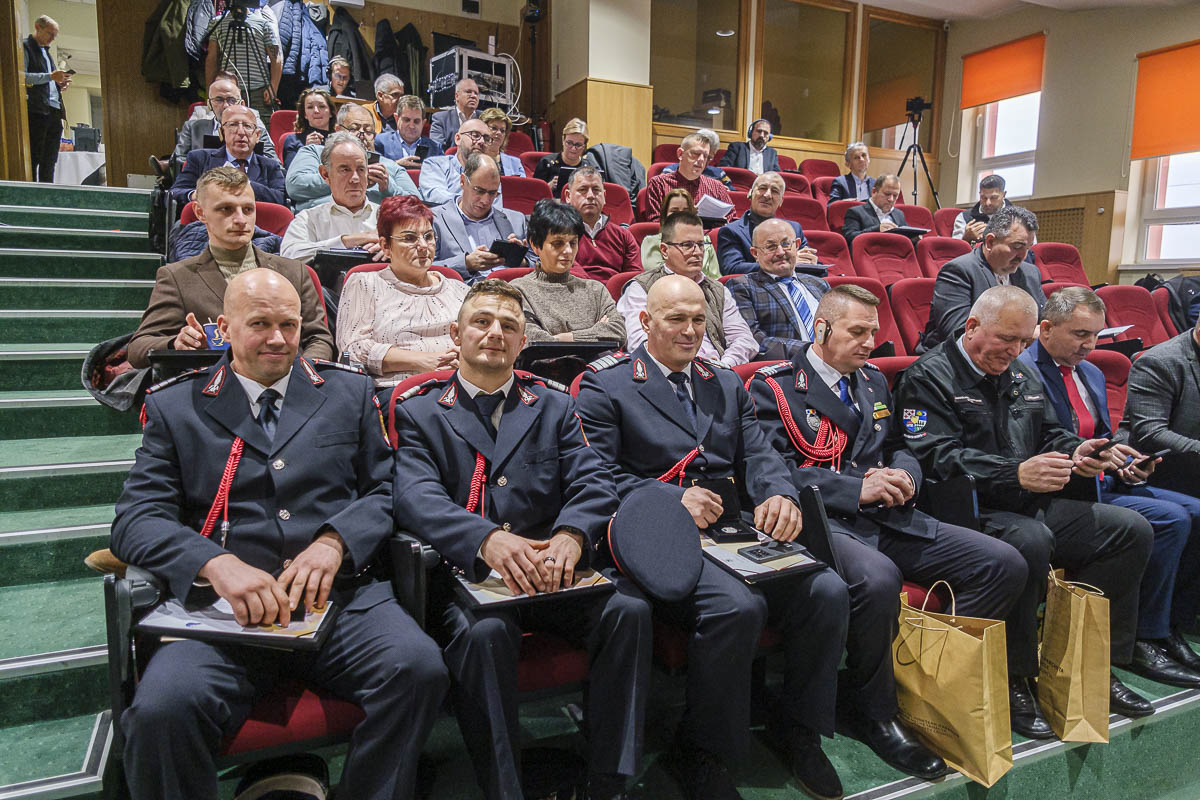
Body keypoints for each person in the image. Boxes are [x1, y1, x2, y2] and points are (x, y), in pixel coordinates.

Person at [112, 268, 448, 800]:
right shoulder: (179, 405)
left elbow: (387, 489)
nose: (277, 338)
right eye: (260, 324)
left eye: (289, 325)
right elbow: (136, 519)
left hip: (338, 600)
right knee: (161, 712)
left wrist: (335, 541)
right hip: (223, 616)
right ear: (224, 326)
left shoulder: (348, 391)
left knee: (419, 670)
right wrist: (213, 564)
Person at [576, 275, 850, 800]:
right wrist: (669, 499)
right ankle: (700, 749)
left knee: (828, 591)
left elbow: (762, 453)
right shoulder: (605, 383)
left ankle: (798, 730)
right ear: (645, 321)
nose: (690, 331)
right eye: (676, 319)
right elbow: (594, 475)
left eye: (699, 319)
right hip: (658, 533)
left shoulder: (723, 382)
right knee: (736, 608)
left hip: (731, 529)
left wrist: (778, 495)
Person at [749, 284, 1025, 775]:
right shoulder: (774, 387)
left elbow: (902, 445)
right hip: (824, 519)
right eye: (857, 332)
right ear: (821, 328)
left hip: (889, 511)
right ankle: (874, 709)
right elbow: (774, 469)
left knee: (1002, 563)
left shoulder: (874, 380)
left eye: (874, 332)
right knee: (877, 580)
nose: (869, 342)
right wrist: (858, 487)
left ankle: (927, 687)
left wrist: (905, 476)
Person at [392, 279, 651, 800]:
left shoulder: (551, 404)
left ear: (523, 340)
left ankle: (610, 780)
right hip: (472, 576)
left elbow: (593, 480)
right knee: (485, 636)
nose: (495, 334)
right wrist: (485, 539)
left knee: (631, 611)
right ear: (456, 333)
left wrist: (573, 535)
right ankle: (504, 788)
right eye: (482, 322)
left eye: (509, 326)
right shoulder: (418, 409)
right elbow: (414, 497)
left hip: (556, 569)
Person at [892, 286, 1156, 734]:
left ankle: (1088, 662)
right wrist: (1016, 472)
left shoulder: (1020, 373)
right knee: (1031, 541)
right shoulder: (928, 376)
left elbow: (1051, 433)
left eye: (1024, 344)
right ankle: (1015, 675)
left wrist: (1079, 451)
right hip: (966, 511)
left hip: (1026, 499)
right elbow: (934, 457)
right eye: (1006, 340)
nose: (1015, 352)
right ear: (972, 327)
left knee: (1131, 529)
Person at [1019, 286, 1200, 688]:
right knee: (1168, 519)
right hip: (1060, 490)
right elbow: (1031, 443)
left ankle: (1161, 627)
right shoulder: (1022, 370)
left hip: (1102, 481)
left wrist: (1127, 460)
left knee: (1189, 514)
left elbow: (1106, 435)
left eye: (1096, 335)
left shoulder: (1093, 372)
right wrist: (1088, 460)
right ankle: (1140, 637)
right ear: (1046, 329)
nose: (1089, 344)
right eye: (1080, 334)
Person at [129, 167, 334, 369]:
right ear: (200, 212)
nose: (240, 220)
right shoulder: (176, 278)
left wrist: (304, 375)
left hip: (289, 388)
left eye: (247, 209)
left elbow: (319, 338)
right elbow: (138, 348)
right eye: (226, 209)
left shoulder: (294, 272)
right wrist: (175, 343)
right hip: (214, 391)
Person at [337, 195, 468, 387]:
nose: (424, 246)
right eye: (409, 238)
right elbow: (353, 350)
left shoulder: (460, 289)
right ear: (385, 246)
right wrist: (424, 361)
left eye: (429, 236)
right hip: (400, 392)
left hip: (461, 386)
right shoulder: (365, 283)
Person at [618, 211, 757, 368]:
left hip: (719, 372)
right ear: (664, 250)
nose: (697, 252)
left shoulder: (717, 289)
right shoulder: (641, 287)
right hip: (668, 375)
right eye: (687, 245)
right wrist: (696, 368)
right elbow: (640, 342)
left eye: (700, 244)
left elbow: (744, 339)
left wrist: (725, 364)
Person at [921, 205, 1045, 351]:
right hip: (959, 361)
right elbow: (959, 333)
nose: (1023, 256)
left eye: (1028, 248)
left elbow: (1046, 323)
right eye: (1017, 246)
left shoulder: (1030, 273)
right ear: (990, 242)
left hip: (1016, 357)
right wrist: (1025, 335)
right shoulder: (958, 271)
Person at [510, 200, 626, 345]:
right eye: (558, 243)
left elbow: (619, 332)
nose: (568, 251)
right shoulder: (518, 291)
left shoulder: (596, 290)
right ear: (535, 245)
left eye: (573, 243)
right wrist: (595, 332)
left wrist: (563, 338)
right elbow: (531, 340)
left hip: (599, 367)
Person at [286, 103, 419, 212]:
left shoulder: (390, 166)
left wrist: (388, 188)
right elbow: (295, 186)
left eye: (368, 131)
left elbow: (417, 204)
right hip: (323, 223)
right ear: (338, 130)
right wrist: (343, 178)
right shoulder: (314, 152)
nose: (362, 135)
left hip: (375, 228)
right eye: (354, 129)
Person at [727, 218, 829, 360]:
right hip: (789, 367)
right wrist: (811, 350)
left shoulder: (819, 284)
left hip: (834, 361)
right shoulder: (743, 286)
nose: (780, 252)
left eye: (786, 244)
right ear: (755, 254)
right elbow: (753, 337)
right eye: (771, 247)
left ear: (797, 245)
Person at [281, 133, 382, 263]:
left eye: (361, 169)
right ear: (325, 174)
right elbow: (288, 256)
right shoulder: (308, 219)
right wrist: (347, 241)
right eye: (345, 170)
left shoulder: (387, 218)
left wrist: (393, 249)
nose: (355, 179)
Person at [431, 153, 529, 282]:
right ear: (462, 181)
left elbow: (539, 263)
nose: (485, 200)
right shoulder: (434, 219)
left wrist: (519, 260)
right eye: (479, 191)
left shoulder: (516, 220)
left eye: (492, 193)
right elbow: (422, 268)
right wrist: (466, 263)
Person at [171, 105, 287, 207]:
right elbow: (174, 193)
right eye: (233, 125)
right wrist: (199, 194)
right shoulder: (199, 158)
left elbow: (281, 199)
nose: (241, 132)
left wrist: (245, 184)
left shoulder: (270, 166)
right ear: (222, 132)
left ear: (257, 136)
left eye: (247, 126)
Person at [716, 172, 818, 275]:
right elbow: (732, 269)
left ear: (781, 201)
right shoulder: (731, 231)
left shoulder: (794, 229)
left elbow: (815, 266)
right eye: (762, 188)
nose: (767, 195)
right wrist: (781, 264)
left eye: (774, 191)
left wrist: (812, 263)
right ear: (750, 193)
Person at [563, 167, 641, 281]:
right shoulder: (559, 234)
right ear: (568, 196)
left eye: (596, 190)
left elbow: (635, 278)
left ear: (604, 196)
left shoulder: (623, 235)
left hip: (616, 296)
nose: (590, 195)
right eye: (583, 189)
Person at [204, 3, 281, 119]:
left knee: (261, 130)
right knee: (228, 127)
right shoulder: (217, 23)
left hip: (259, 90)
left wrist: (273, 87)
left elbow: (276, 59)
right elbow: (211, 59)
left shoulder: (263, 24)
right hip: (227, 91)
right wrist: (210, 91)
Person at [173, 74, 276, 161]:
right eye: (219, 100)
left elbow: (275, 164)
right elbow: (177, 161)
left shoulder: (257, 131)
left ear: (242, 104)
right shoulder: (193, 128)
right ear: (209, 104)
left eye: (231, 100)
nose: (226, 105)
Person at [645, 131, 734, 223]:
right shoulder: (659, 184)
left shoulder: (717, 187)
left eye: (706, 156)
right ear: (680, 154)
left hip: (708, 236)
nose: (701, 160)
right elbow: (655, 222)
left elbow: (731, 218)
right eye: (696, 153)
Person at [23, 15, 69, 183]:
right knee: (35, 156)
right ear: (38, 27)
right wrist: (51, 76)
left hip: (54, 109)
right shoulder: (25, 47)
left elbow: (48, 81)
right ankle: (33, 197)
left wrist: (60, 84)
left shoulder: (47, 53)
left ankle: (47, 195)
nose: (52, 38)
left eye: (54, 35)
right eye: (50, 33)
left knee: (50, 160)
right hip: (37, 110)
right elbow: (24, 77)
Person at [641, 190, 720, 281]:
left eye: (686, 211)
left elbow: (716, 277)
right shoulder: (651, 241)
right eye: (674, 211)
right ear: (664, 215)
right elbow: (655, 274)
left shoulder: (706, 241)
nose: (680, 215)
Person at [418, 119, 497, 207]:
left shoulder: (491, 172)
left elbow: (496, 209)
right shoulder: (435, 165)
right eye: (475, 135)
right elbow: (436, 197)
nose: (482, 141)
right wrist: (472, 204)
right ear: (458, 139)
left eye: (486, 139)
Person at [532, 118, 601, 196]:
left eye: (578, 145)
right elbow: (533, 194)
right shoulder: (547, 163)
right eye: (569, 143)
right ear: (563, 140)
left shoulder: (590, 168)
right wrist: (548, 187)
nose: (573, 148)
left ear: (584, 146)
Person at [839, 174, 907, 248]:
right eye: (887, 194)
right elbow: (849, 237)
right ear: (874, 191)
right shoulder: (855, 212)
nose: (891, 199)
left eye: (895, 195)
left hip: (895, 255)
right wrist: (877, 229)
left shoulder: (899, 214)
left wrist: (914, 238)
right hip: (870, 255)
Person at [375, 94, 443, 167]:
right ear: (397, 119)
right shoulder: (380, 142)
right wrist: (396, 165)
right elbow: (373, 170)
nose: (411, 126)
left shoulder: (435, 148)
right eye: (406, 120)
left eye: (416, 121)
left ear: (423, 123)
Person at [279, 87, 335, 170]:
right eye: (310, 107)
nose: (316, 111)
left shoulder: (340, 140)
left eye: (322, 106)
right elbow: (290, 174)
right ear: (304, 114)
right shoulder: (292, 140)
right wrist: (305, 149)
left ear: (331, 112)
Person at [954, 174, 1010, 243]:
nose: (987, 203)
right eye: (983, 197)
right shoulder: (964, 217)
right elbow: (954, 250)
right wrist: (966, 238)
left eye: (993, 198)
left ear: (1004, 195)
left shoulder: (1017, 217)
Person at [429, 78, 481, 148]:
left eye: (476, 93)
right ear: (457, 96)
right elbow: (437, 149)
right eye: (468, 92)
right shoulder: (441, 119)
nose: (473, 96)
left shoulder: (484, 118)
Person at [479, 107, 526, 177]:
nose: (499, 133)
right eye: (494, 128)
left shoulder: (515, 163)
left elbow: (523, 187)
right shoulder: (470, 158)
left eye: (502, 130)